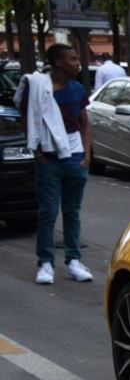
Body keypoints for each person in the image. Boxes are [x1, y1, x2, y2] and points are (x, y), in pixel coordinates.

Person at [16, 43, 94, 285]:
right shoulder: (38, 87)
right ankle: (46, 264)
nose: (77, 62)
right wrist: (37, 153)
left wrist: (86, 156)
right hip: (48, 157)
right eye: (72, 59)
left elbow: (84, 123)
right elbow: (27, 120)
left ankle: (73, 261)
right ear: (59, 63)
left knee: (72, 213)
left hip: (75, 157)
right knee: (48, 213)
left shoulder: (78, 89)